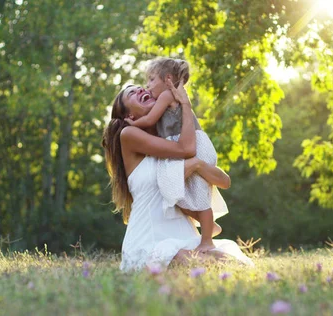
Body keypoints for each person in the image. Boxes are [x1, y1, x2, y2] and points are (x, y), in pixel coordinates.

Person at [101, 79, 253, 272]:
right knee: (193, 263)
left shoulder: (168, 142)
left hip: (188, 239)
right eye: (132, 93)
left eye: (140, 88)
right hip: (150, 240)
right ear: (129, 114)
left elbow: (224, 181)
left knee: (230, 264)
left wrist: (197, 165)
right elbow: (187, 148)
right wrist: (185, 104)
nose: (140, 89)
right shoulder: (128, 135)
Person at [124, 58, 226, 253]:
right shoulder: (173, 96)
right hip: (197, 145)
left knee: (196, 194)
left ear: (167, 79)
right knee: (186, 193)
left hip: (196, 146)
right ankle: (208, 230)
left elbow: (151, 118)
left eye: (152, 79)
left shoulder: (166, 96)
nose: (148, 85)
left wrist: (133, 124)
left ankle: (207, 240)